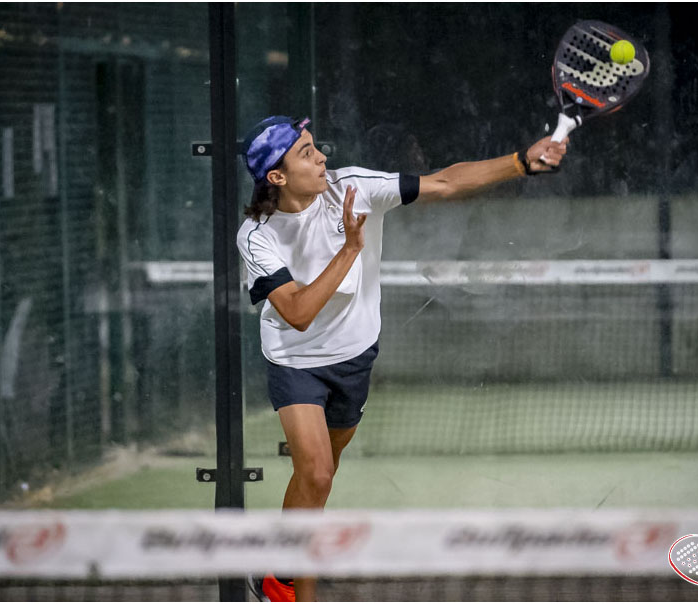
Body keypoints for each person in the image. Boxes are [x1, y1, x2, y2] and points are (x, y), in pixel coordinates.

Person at [237, 116, 567, 602]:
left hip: (354, 357)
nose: (321, 157)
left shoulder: (354, 187)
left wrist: (521, 163)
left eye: (315, 147)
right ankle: (292, 592)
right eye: (306, 154)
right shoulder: (256, 235)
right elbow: (299, 313)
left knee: (319, 479)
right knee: (317, 473)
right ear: (277, 177)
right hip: (295, 361)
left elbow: (445, 182)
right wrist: (351, 249)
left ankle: (279, 570)